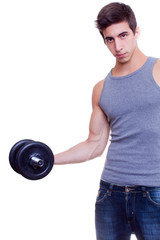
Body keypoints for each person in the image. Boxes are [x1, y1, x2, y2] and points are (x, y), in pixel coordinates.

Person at [55, 2, 160, 240]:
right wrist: (49, 159)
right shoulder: (101, 89)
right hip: (110, 194)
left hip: (155, 193)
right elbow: (94, 144)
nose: (118, 46)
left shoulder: (158, 70)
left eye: (123, 35)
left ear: (136, 32)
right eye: (109, 39)